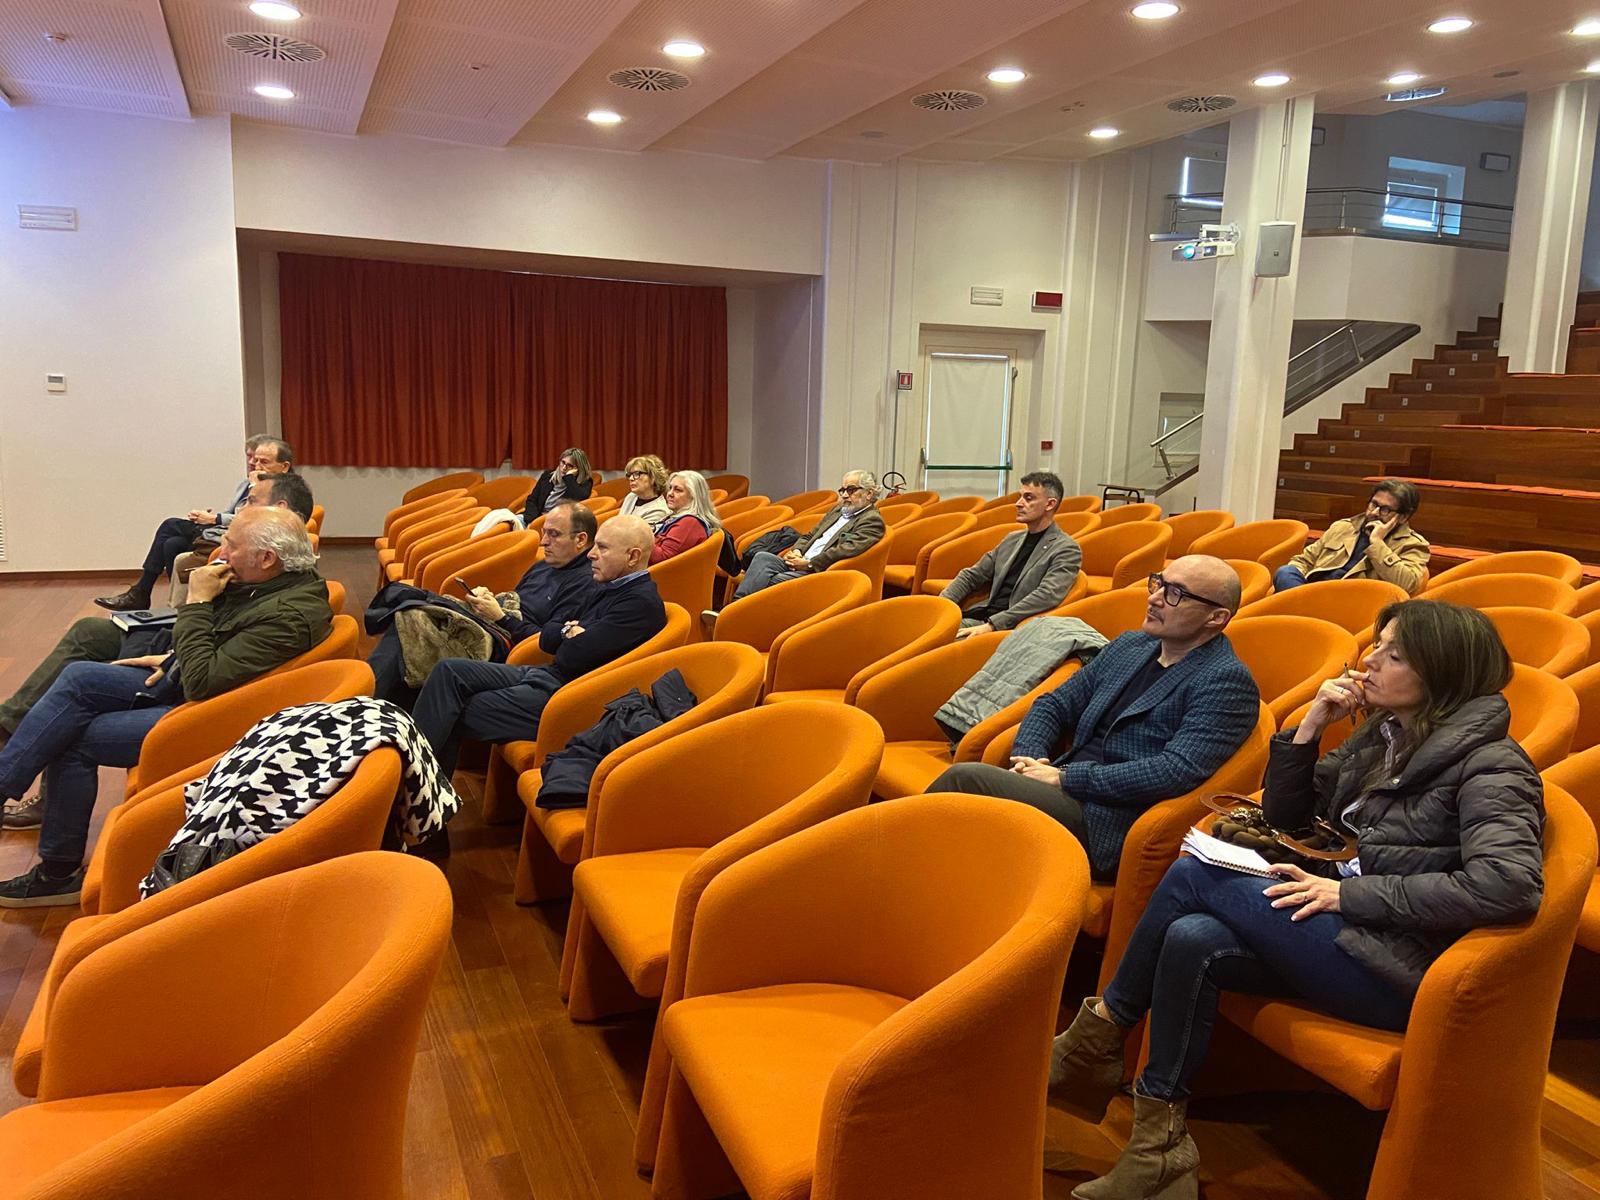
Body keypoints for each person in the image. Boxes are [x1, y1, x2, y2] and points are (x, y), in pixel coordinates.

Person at [1046, 600, 1542, 1199]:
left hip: (1400, 965)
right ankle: (1159, 1152)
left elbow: (1508, 884)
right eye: (1377, 645)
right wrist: (1310, 727)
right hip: (1344, 933)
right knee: (1190, 937)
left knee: (1192, 876)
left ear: (1444, 672)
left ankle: (1097, 1039)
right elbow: (1289, 819)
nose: (1370, 661)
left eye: (1395, 655)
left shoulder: (1492, 764)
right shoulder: (1383, 734)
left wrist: (1350, 894)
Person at [0, 508, 333, 907]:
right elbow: (223, 652)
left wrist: (197, 601)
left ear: (267, 558)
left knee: (74, 736)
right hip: (194, 684)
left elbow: (204, 681)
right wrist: (173, 656)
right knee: (80, 677)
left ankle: (56, 873)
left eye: (231, 544)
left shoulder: (288, 615)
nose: (221, 552)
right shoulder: (269, 585)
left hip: (215, 717)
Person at [928, 555, 1260, 880]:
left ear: (1216, 617)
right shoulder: (1131, 645)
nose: (1155, 598)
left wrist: (1065, 778)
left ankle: (900, 865)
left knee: (964, 780)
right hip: (1060, 782)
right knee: (963, 832)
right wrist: (1031, 757)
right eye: (1158, 583)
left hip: (1105, 818)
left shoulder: (1224, 680)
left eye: (1176, 594)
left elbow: (1173, 771)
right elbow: (1054, 704)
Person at [410, 515, 666, 780]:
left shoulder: (640, 604)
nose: (591, 554)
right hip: (548, 674)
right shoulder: (606, 584)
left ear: (633, 557)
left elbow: (571, 656)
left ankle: (419, 788)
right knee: (448, 671)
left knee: (453, 709)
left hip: (567, 697)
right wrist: (569, 632)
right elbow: (549, 635)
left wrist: (567, 636)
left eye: (602, 547)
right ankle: (416, 781)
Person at [366, 501, 601, 705]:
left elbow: (547, 640)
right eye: (544, 532)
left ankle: (368, 702)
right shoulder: (545, 565)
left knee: (412, 620)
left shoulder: (583, 584)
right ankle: (378, 705)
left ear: (581, 540)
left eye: (554, 535)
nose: (543, 542)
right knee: (411, 611)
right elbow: (516, 599)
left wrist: (501, 617)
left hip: (506, 643)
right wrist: (490, 601)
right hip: (494, 622)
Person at [95, 436, 294, 612]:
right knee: (171, 544)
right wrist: (210, 517)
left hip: (239, 540)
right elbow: (233, 513)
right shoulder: (246, 483)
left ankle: (142, 592)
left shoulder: (285, 491)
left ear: (284, 466)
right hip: (221, 532)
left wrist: (216, 519)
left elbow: (254, 518)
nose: (255, 465)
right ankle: (178, 609)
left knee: (169, 525)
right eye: (253, 459)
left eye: (263, 462)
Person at [942, 471, 1081, 636]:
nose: (1018, 503)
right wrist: (941, 606)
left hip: (1007, 627)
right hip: (981, 616)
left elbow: (1046, 596)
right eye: (1020, 497)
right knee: (920, 626)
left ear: (1050, 504)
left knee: (935, 640)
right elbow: (972, 576)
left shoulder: (1066, 549)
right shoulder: (1012, 539)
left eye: (1028, 498)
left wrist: (992, 625)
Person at [728, 470, 886, 603]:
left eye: (851, 490)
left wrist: (809, 564)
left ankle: (734, 612)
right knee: (762, 557)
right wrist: (797, 550)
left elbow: (844, 551)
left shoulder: (871, 520)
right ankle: (735, 607)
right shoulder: (838, 510)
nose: (844, 495)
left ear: (869, 493)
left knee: (768, 580)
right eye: (842, 490)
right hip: (801, 561)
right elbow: (810, 535)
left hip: (818, 570)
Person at [166, 472, 316, 606]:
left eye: (251, 501)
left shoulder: (279, 610)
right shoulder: (272, 577)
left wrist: (198, 601)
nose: (241, 510)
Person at [1274, 479, 1429, 595]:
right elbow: (1305, 560)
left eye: (1385, 510)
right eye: (1374, 504)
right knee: (1285, 572)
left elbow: (1408, 585)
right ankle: (1304, 609)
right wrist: (1298, 580)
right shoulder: (1344, 527)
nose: (1374, 512)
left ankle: (1300, 611)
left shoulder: (1412, 545)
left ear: (1403, 517)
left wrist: (1377, 543)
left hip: (1349, 602)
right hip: (1314, 590)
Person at [650, 470, 722, 564]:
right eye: (670, 488)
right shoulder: (677, 517)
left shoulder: (689, 523)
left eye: (678, 490)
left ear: (693, 496)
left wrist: (641, 536)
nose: (670, 493)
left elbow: (662, 558)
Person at [521, 448, 594, 525]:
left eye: (570, 466)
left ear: (578, 469)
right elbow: (532, 499)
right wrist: (531, 520)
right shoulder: (548, 476)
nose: (564, 468)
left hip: (557, 522)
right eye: (563, 462)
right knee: (512, 520)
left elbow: (576, 498)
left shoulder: (585, 483)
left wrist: (569, 477)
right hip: (535, 517)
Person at [619, 455, 672, 530]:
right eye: (629, 475)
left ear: (653, 477)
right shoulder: (631, 496)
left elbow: (636, 535)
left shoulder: (658, 511)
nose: (631, 478)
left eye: (637, 474)